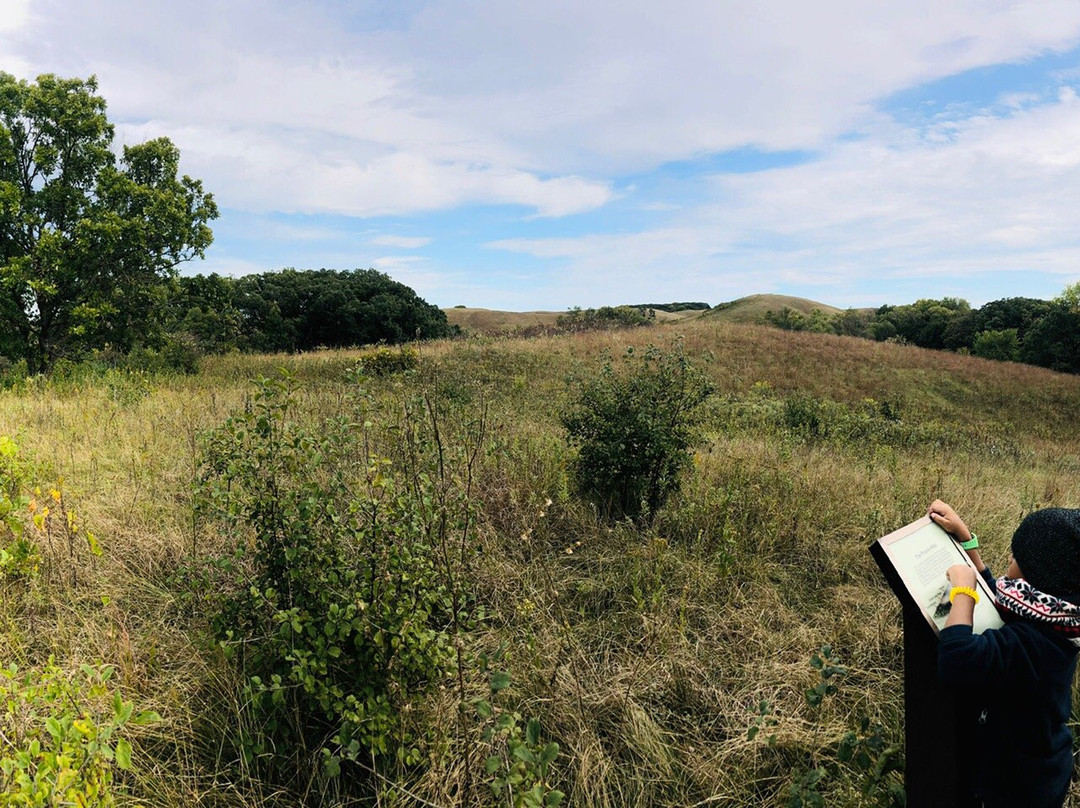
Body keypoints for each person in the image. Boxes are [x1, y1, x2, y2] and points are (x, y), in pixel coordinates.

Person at [928, 499, 1080, 808]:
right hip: (1044, 766)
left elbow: (956, 661)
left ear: (1037, 579)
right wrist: (968, 542)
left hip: (1016, 785)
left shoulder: (1033, 644)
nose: (1010, 557)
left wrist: (962, 593)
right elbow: (1000, 596)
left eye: (1017, 557)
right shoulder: (1057, 620)